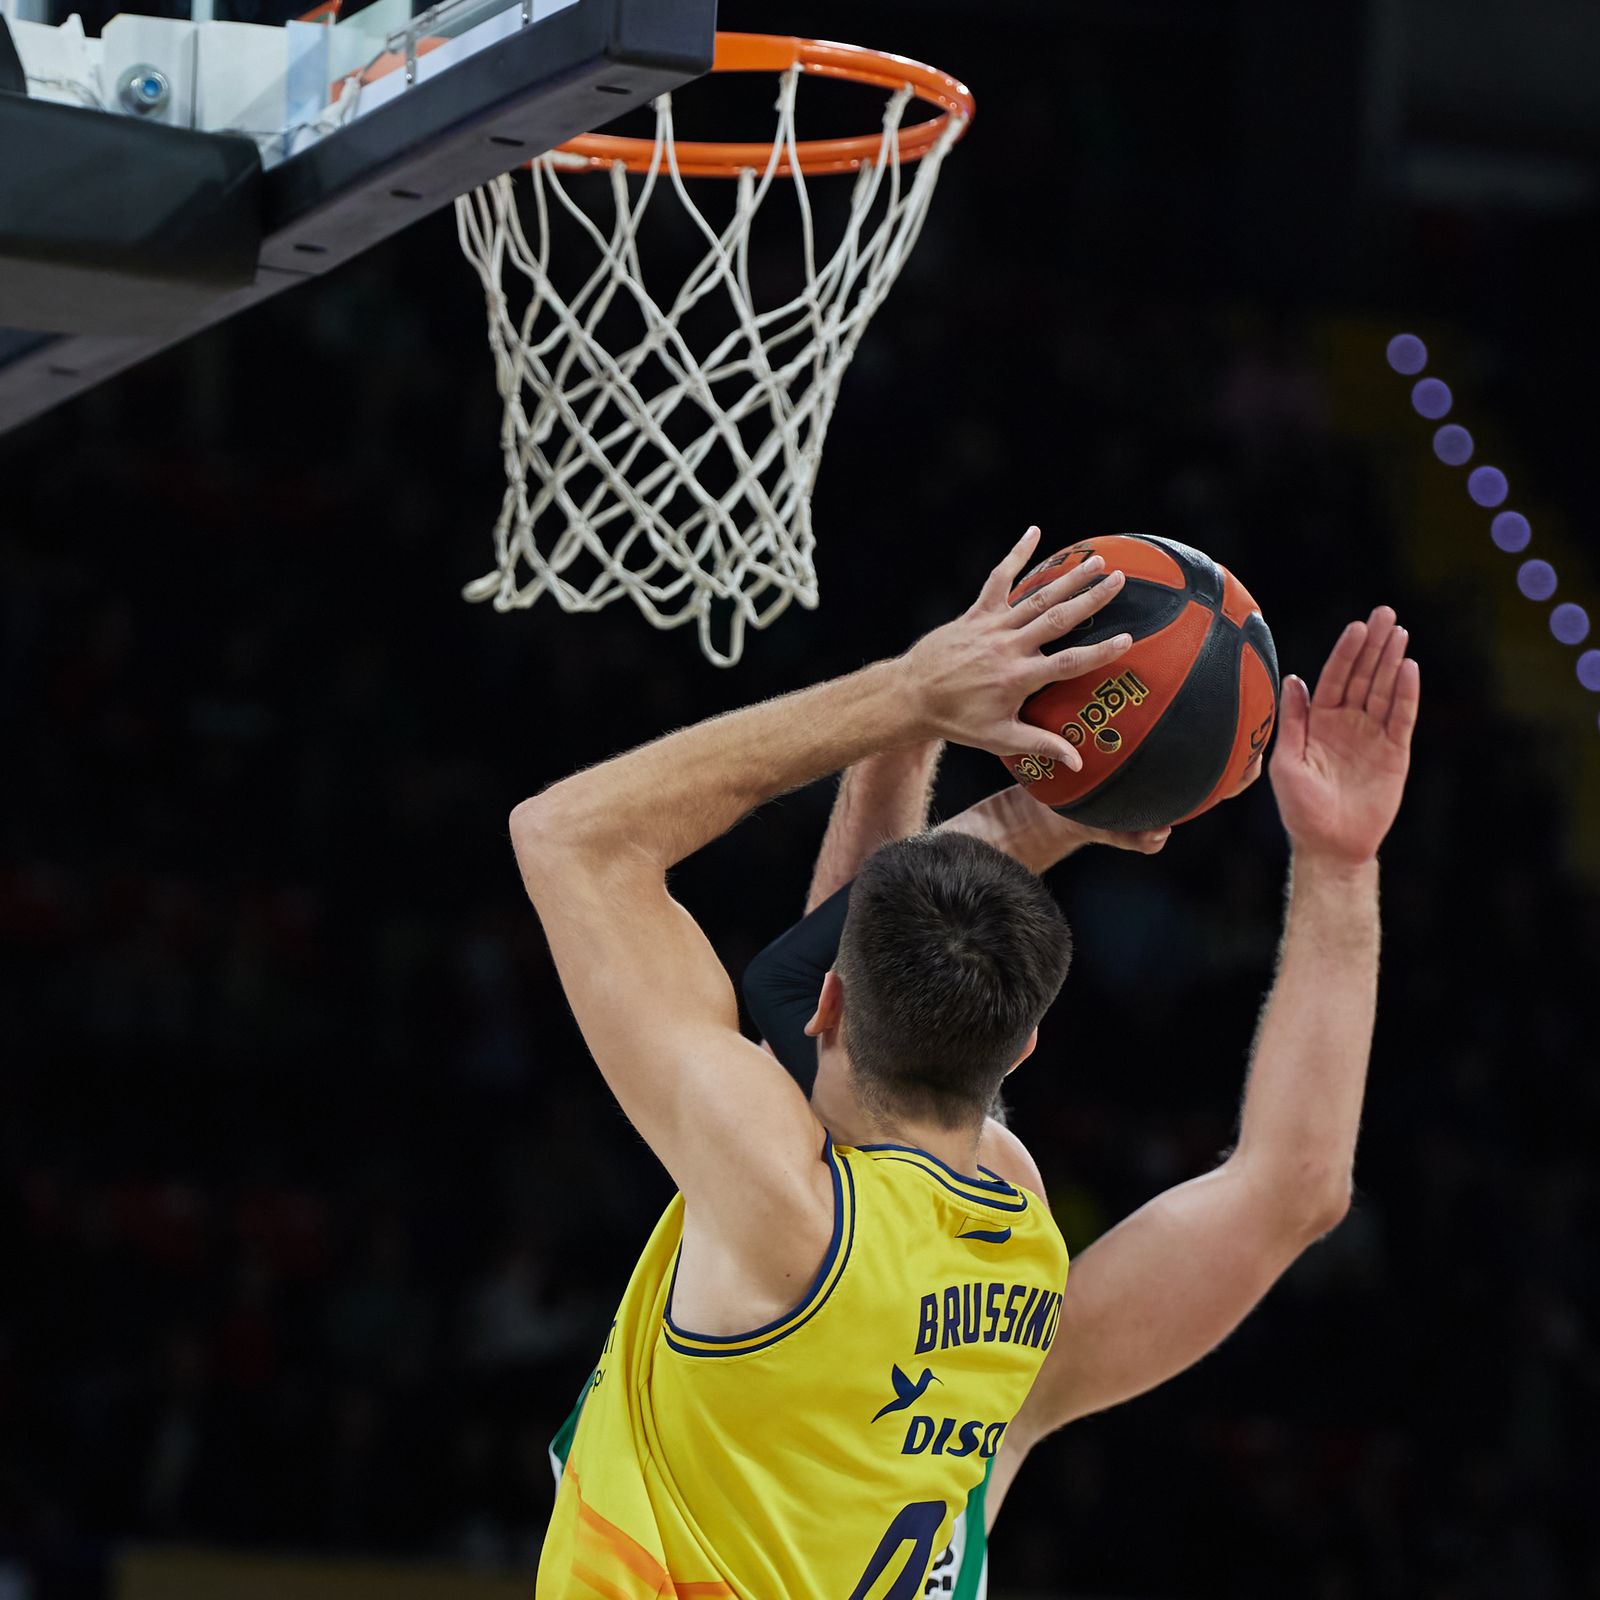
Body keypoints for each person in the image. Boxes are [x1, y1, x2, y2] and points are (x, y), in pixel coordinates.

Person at [744, 606, 1419, 1596]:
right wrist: (1336, 867)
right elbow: (1292, 1190)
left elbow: (1295, 1191)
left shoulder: (982, 1363)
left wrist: (928, 724)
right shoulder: (965, 1360)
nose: (998, 1170)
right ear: (1027, 1045)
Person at [513, 530, 1137, 1598]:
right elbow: (848, 1015)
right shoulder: (1016, 1218)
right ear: (1021, 1043)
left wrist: (910, 698)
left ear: (831, 1004)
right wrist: (1015, 801)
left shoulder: (782, 1206)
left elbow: (570, 836)